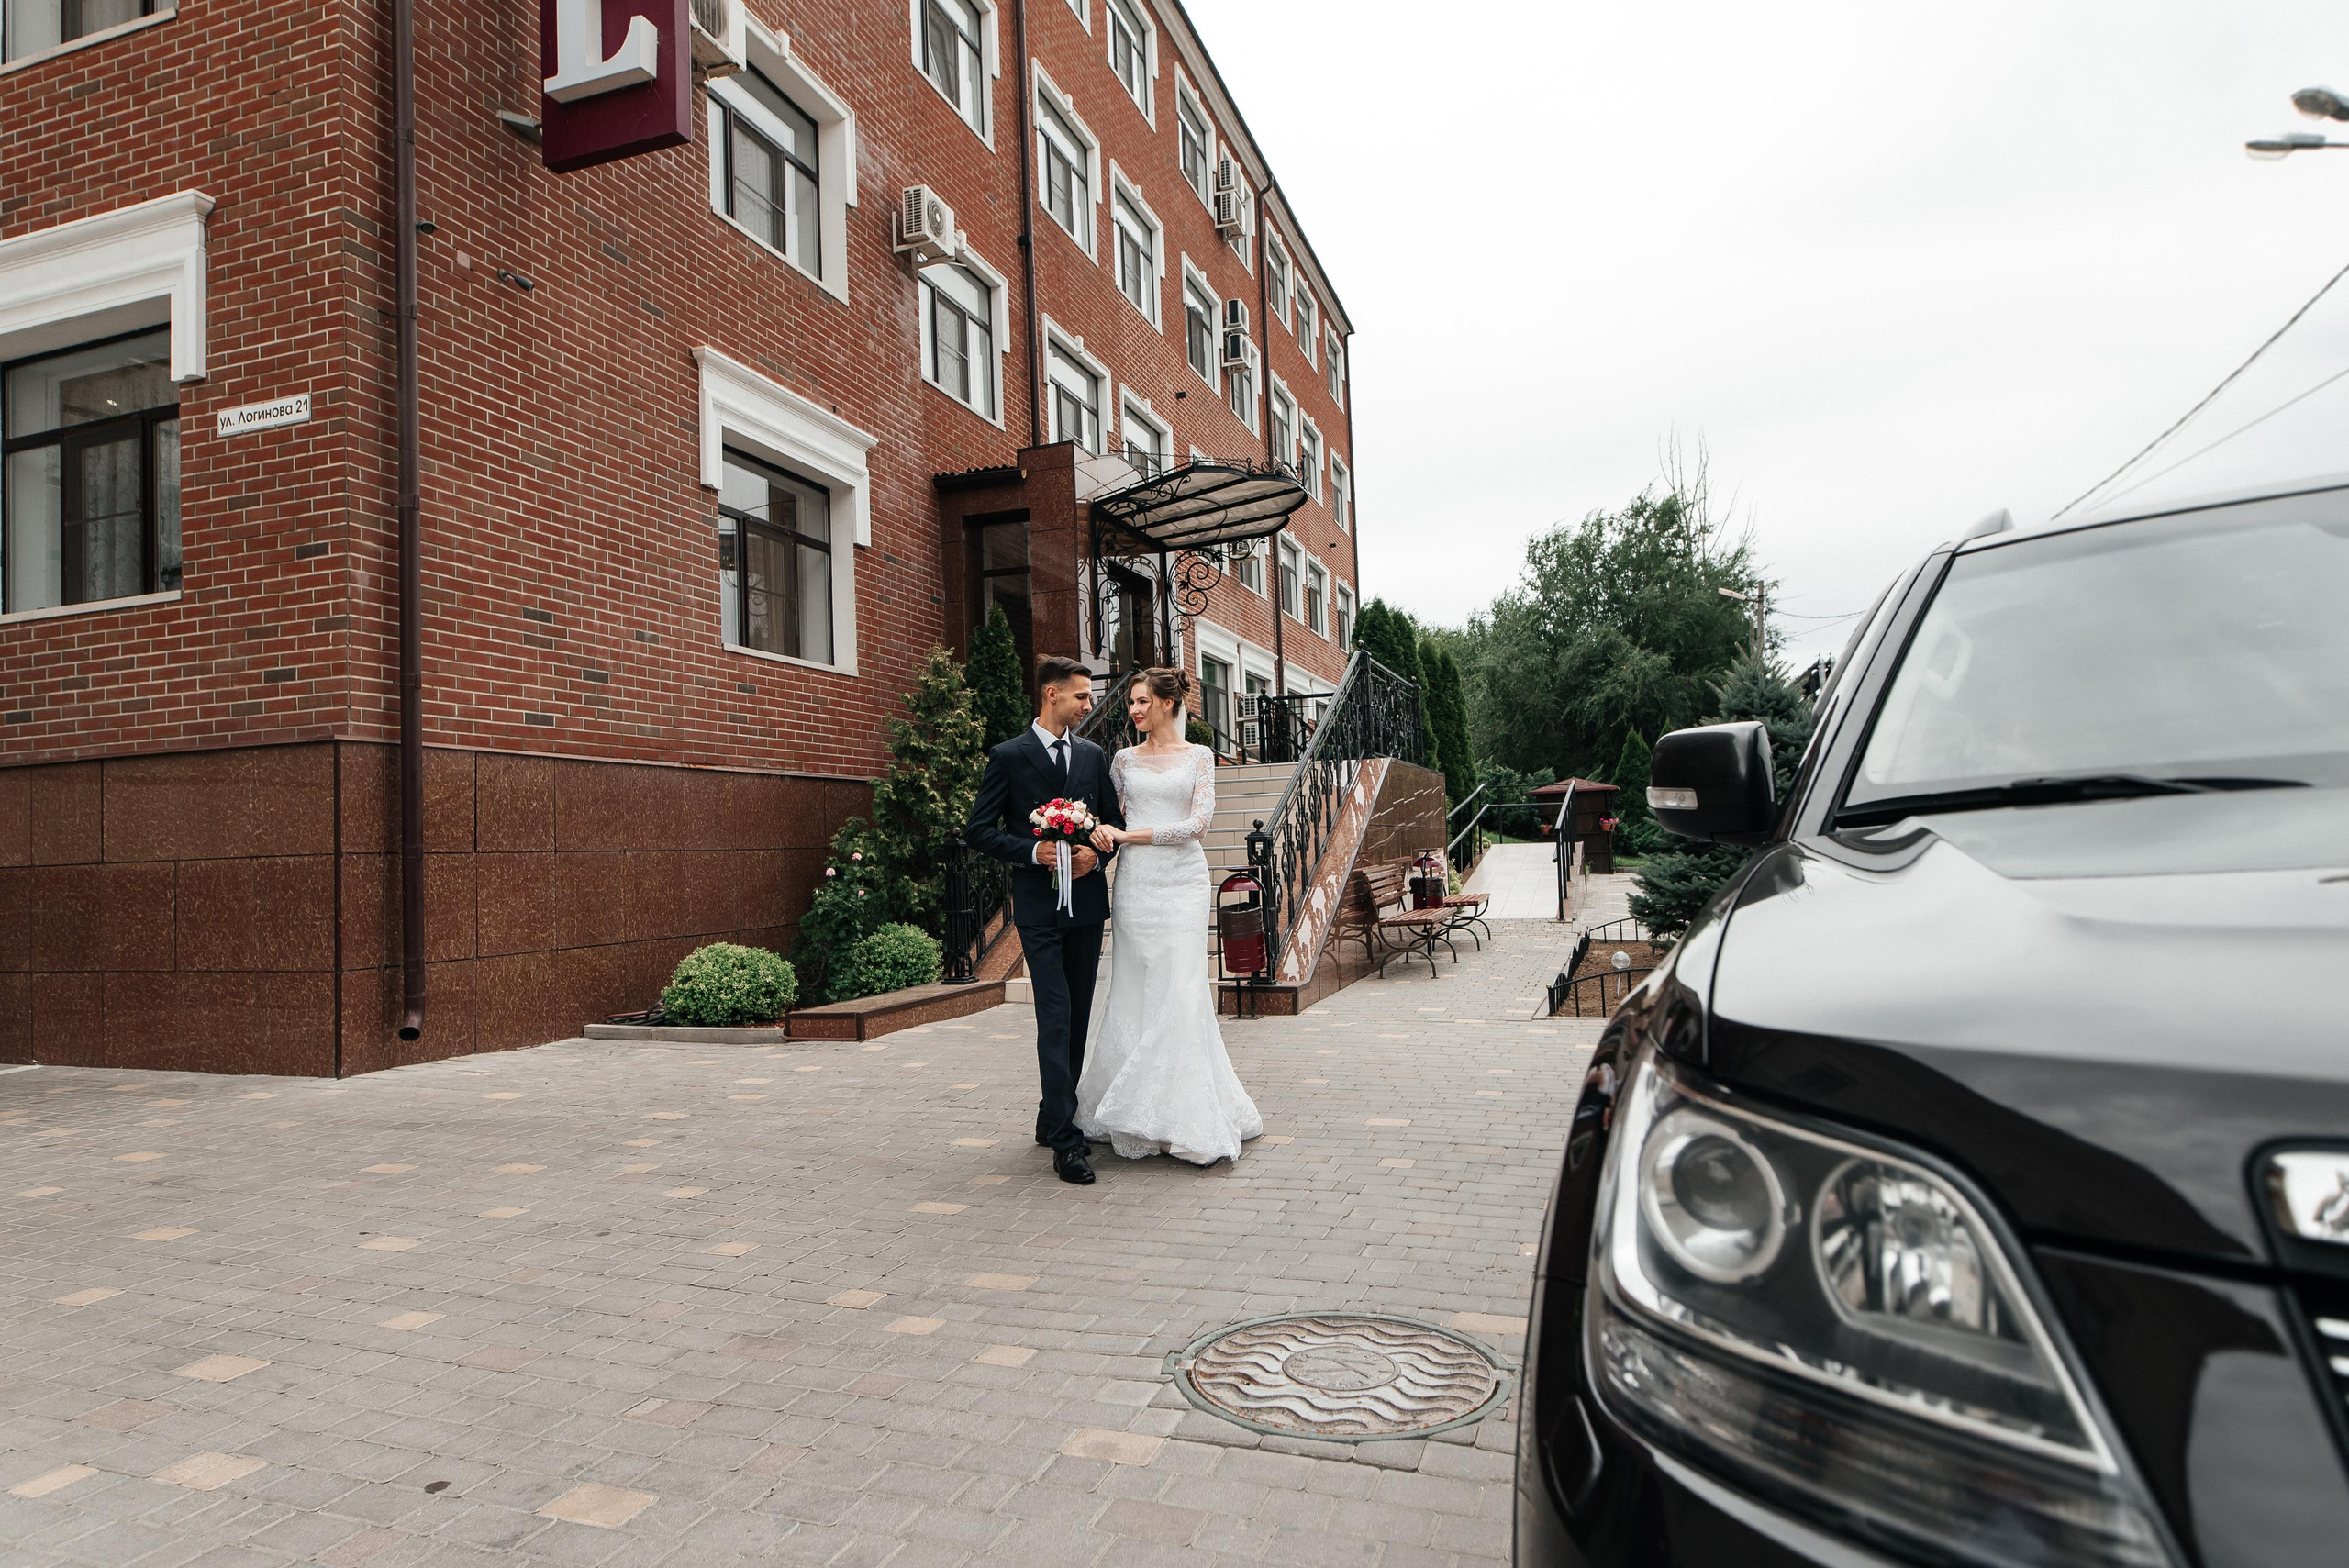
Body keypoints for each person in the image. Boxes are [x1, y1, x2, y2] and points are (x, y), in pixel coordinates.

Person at [1077, 668, 1264, 1165]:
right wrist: (1095, 833)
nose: (1134, 710)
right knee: (1134, 987)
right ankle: (1126, 1109)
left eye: (1141, 702)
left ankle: (1184, 1112)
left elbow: (1198, 825)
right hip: (1136, 886)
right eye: (1131, 703)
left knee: (1182, 989)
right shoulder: (1121, 760)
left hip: (1182, 883)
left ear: (1166, 703)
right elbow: (1110, 816)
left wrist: (1130, 836)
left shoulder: (1200, 757)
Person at [963, 657, 1127, 1184]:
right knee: (1054, 1016)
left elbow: (1112, 823)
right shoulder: (1009, 756)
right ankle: (1066, 1141)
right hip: (1036, 909)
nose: (1088, 705)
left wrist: (1093, 856)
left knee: (1077, 1015)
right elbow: (978, 830)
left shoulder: (1094, 754)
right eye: (1080, 696)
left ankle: (1051, 1113)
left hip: (1086, 906)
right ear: (1051, 694)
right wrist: (1034, 853)